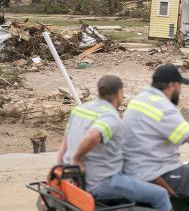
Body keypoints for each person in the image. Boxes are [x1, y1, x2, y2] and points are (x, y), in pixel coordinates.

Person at [123, 65, 189, 211]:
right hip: (154, 171)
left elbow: (162, 125)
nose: (180, 90)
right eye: (180, 86)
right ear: (172, 85)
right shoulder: (163, 106)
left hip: (134, 166)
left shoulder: (141, 99)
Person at [57, 75, 171, 211]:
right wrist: (76, 159)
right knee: (161, 195)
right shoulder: (110, 117)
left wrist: (60, 170)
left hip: (75, 180)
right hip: (101, 182)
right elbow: (93, 135)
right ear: (119, 93)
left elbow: (65, 143)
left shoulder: (79, 110)